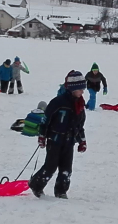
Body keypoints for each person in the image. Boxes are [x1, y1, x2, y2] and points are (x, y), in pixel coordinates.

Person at [28, 70, 87, 199]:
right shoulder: (58, 102)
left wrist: (82, 140)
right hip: (55, 139)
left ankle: (61, 191)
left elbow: (79, 125)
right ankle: (36, 185)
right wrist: (42, 136)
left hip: (69, 141)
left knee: (66, 169)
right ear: (73, 88)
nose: (83, 91)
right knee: (50, 166)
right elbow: (45, 120)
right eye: (81, 89)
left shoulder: (80, 105)